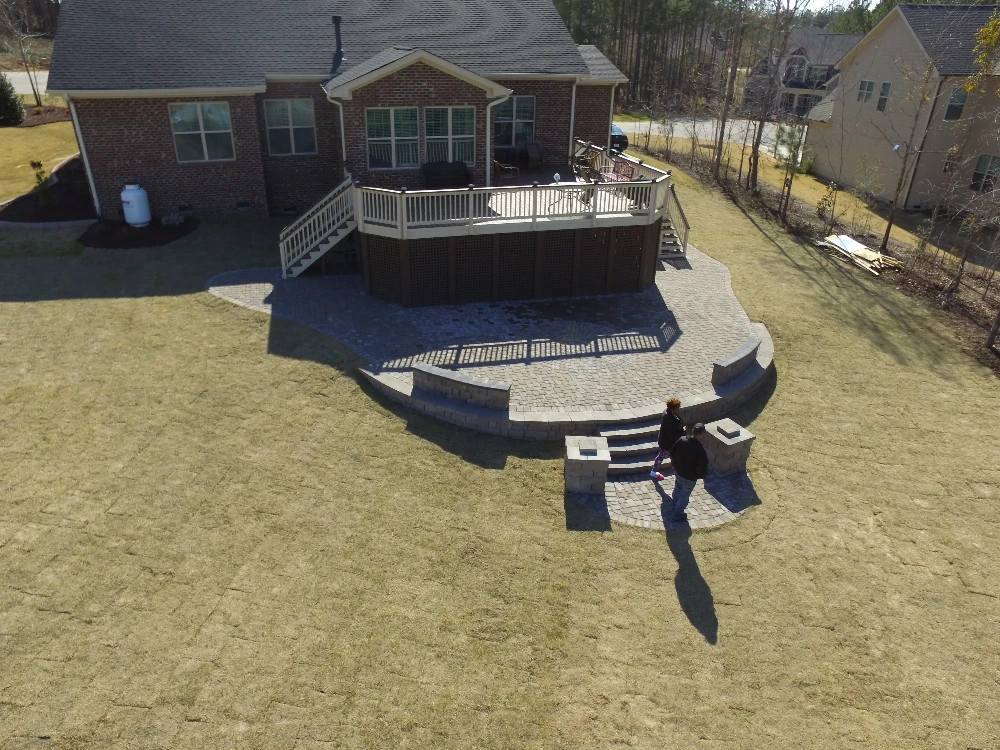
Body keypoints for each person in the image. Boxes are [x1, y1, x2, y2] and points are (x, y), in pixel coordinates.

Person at [667, 423, 708, 523]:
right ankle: (677, 515)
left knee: (677, 489)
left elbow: (672, 452)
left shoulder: (682, 440)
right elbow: (702, 467)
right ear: (701, 434)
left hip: (678, 472)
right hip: (689, 478)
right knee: (684, 496)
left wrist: (675, 465)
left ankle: (674, 505)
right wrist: (699, 476)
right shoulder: (700, 449)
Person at [650, 398, 684, 481]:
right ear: (674, 409)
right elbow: (673, 435)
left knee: (661, 456)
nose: (679, 410)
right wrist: (683, 432)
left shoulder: (667, 413)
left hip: (664, 441)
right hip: (669, 444)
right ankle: (677, 475)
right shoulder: (672, 420)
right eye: (678, 408)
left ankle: (654, 472)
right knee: (674, 459)